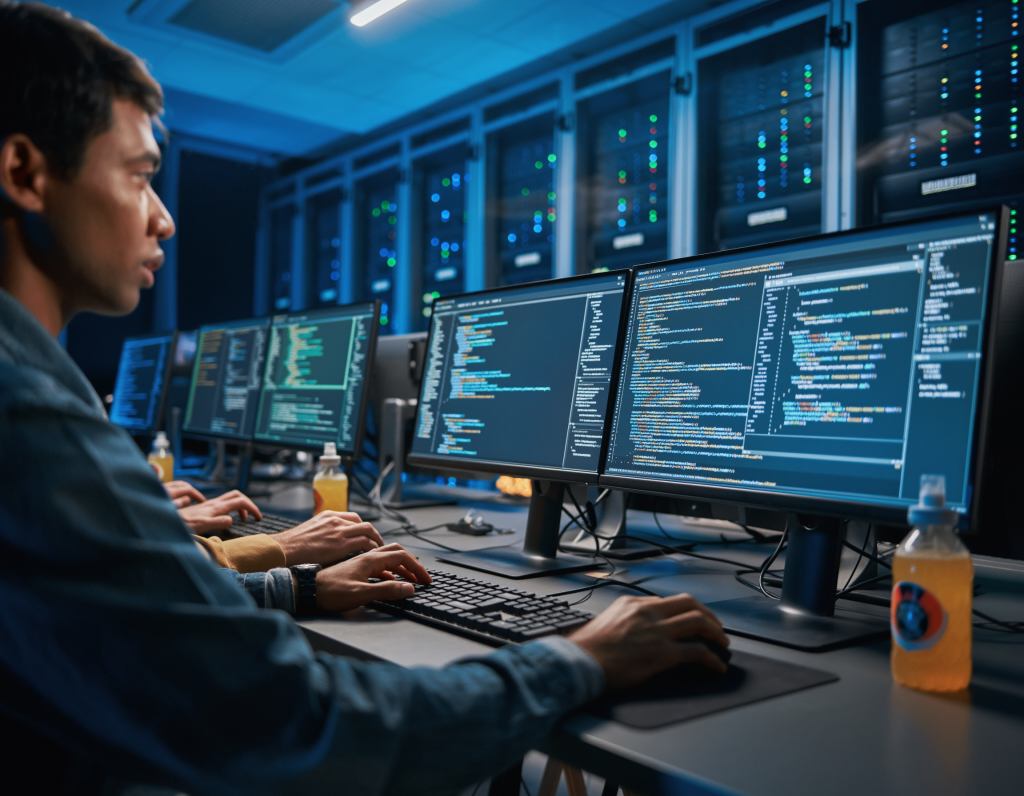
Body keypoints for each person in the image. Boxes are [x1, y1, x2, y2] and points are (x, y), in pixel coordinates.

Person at [0, 4, 730, 795]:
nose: (166, 218)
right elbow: (305, 732)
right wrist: (580, 657)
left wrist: (304, 585)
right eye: (140, 176)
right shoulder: (28, 418)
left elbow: (126, 629)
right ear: (25, 174)